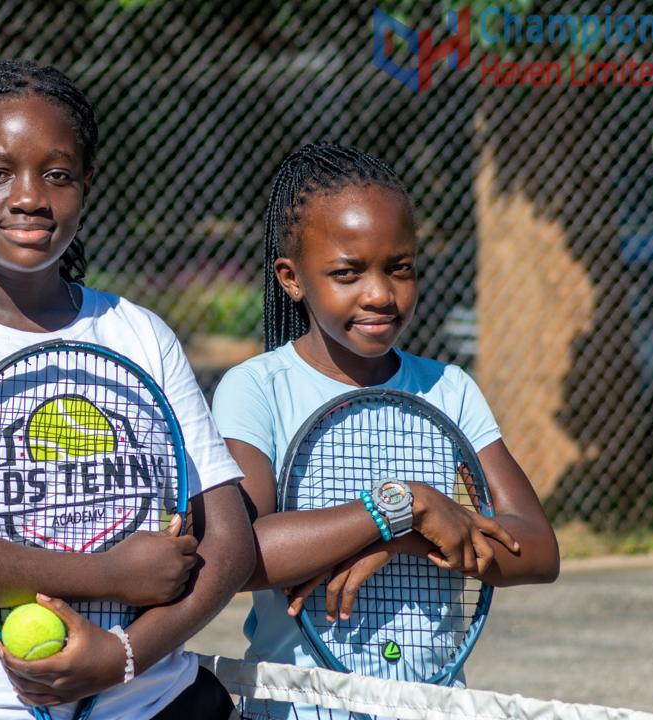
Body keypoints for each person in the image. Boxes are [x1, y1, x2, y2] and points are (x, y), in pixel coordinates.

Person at [0, 60, 254, 720]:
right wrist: (105, 577)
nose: (29, 195)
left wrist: (122, 656)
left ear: (86, 186)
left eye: (57, 174)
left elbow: (229, 541)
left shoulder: (138, 333)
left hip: (155, 699)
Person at [211, 142, 560, 719]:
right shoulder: (257, 388)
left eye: (399, 268)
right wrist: (402, 507)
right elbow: (243, 556)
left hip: (433, 705)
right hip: (298, 708)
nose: (379, 293)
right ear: (291, 278)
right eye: (347, 272)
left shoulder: (449, 389)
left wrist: (404, 537)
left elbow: (539, 551)